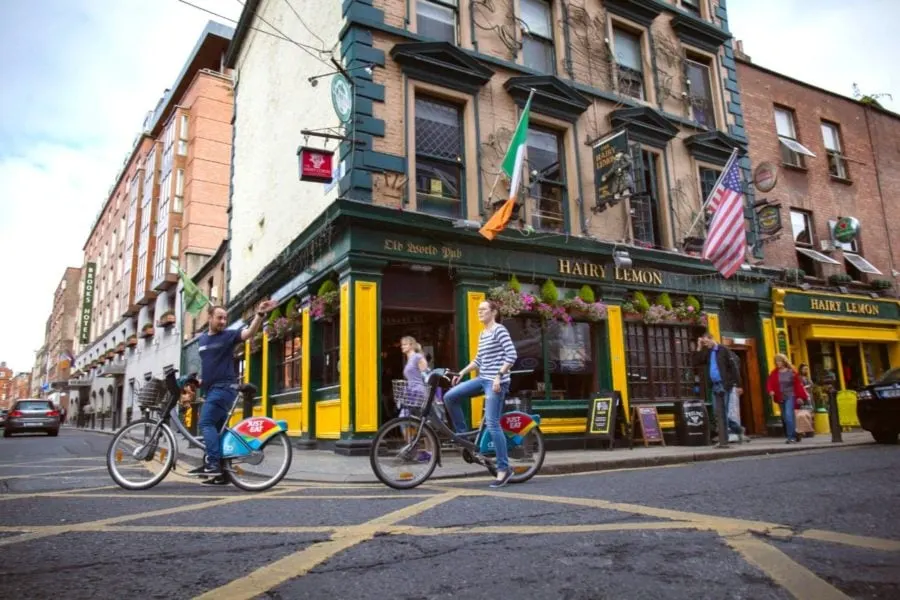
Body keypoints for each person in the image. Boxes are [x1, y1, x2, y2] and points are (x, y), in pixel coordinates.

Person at [189, 299, 277, 480]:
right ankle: (223, 474)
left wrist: (260, 314)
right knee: (219, 430)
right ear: (210, 318)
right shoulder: (203, 340)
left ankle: (212, 464)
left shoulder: (228, 336)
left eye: (225, 318)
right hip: (210, 389)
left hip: (223, 389)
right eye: (219, 318)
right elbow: (210, 364)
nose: (223, 321)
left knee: (205, 423)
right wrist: (200, 381)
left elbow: (249, 333)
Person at [443, 300, 518, 488]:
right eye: (478, 310)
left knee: (493, 423)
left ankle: (504, 468)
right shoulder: (483, 333)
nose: (479, 312)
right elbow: (478, 360)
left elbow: (512, 355)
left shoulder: (499, 330)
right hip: (482, 378)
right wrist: (461, 373)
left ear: (493, 312)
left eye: (483, 309)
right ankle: (464, 438)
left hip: (496, 382)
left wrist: (499, 376)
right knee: (450, 397)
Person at [692, 331, 742, 448]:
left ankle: (723, 439)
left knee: (722, 412)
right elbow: (696, 362)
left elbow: (733, 367)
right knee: (717, 412)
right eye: (704, 343)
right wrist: (699, 346)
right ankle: (737, 429)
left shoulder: (723, 350)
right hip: (714, 385)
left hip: (724, 385)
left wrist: (738, 384)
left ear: (711, 339)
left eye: (706, 342)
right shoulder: (708, 352)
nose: (705, 345)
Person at [766, 354, 809, 444]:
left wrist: (800, 397)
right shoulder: (774, 373)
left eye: (780, 361)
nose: (778, 363)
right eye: (776, 361)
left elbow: (798, 385)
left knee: (789, 416)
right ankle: (796, 433)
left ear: (784, 361)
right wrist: (771, 391)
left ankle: (791, 437)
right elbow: (769, 383)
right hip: (780, 397)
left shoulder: (792, 372)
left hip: (791, 396)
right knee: (785, 418)